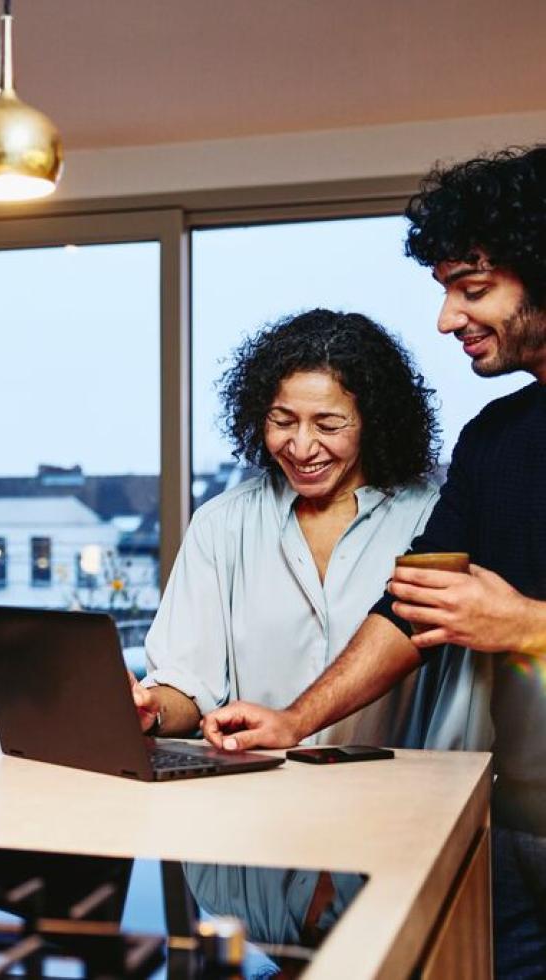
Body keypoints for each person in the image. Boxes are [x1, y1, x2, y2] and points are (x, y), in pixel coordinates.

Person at [199, 145, 546, 974]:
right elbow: (407, 607)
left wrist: (527, 624)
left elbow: (509, 625)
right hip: (512, 830)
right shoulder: (493, 440)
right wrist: (294, 721)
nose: (446, 320)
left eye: (472, 290)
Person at [131, 308, 484, 749]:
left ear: (372, 422)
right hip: (258, 798)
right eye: (282, 421)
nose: (300, 446)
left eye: (328, 424)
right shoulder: (221, 524)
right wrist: (152, 710)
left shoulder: (436, 521)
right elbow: (187, 684)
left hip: (400, 800)